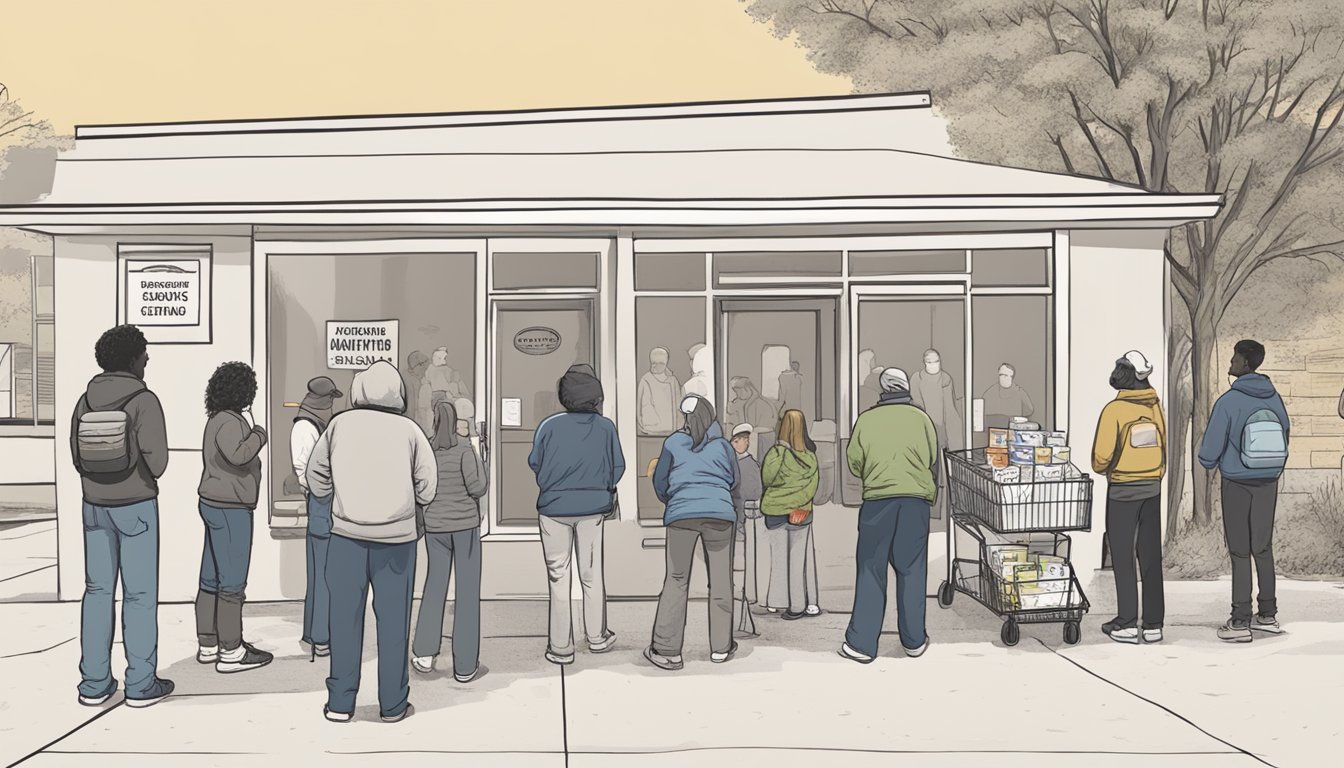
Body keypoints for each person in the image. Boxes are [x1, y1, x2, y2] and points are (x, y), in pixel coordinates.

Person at [306, 360, 437, 724]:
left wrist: (333, 494)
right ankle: (393, 704)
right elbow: (429, 485)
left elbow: (315, 475)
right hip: (397, 540)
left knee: (344, 620)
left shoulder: (339, 426)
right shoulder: (409, 431)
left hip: (346, 537)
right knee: (394, 623)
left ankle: (340, 704)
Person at [71, 325, 174, 708]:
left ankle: (94, 683)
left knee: (97, 592)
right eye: (144, 353)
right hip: (136, 508)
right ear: (132, 359)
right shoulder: (144, 400)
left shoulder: (85, 400)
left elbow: (76, 457)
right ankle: (140, 683)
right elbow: (159, 463)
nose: (147, 358)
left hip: (93, 507)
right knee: (140, 596)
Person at [840, 368, 938, 663]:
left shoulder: (866, 420)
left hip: (878, 502)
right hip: (915, 502)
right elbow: (932, 456)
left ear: (882, 391)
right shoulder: (921, 419)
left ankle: (862, 644)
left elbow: (854, 462)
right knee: (912, 569)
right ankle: (914, 640)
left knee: (871, 569)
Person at [528, 363, 623, 665]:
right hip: (593, 510)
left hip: (553, 509)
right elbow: (618, 467)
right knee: (592, 576)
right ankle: (596, 637)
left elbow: (534, 462)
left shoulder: (548, 426)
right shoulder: (606, 427)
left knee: (559, 577)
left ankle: (560, 646)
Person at [1198, 340, 1290, 643]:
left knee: (1240, 551)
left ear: (1245, 364)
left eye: (1236, 357)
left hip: (1237, 482)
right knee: (1262, 548)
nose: (1232, 361)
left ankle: (1239, 621)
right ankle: (1267, 615)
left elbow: (1209, 451)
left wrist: (1211, 461)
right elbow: (1285, 432)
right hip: (1268, 480)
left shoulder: (1228, 402)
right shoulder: (1274, 398)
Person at [646, 395, 740, 670]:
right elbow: (734, 480)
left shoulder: (673, 443)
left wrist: (675, 502)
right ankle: (721, 647)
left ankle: (666, 650)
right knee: (721, 581)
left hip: (681, 516)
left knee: (676, 580)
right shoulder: (723, 446)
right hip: (720, 516)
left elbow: (660, 481)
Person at [194, 362, 273, 673]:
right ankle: (231, 651)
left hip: (215, 503)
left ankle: (208, 643)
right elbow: (239, 455)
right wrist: (259, 435)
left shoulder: (216, 419)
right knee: (232, 582)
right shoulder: (230, 422)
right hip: (231, 507)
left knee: (210, 578)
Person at [1091, 351, 1167, 645]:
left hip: (1122, 491)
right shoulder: (1154, 406)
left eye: (1120, 368)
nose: (1116, 372)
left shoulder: (1114, 410)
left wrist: (1109, 468)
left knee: (1123, 558)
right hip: (1151, 489)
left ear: (1130, 375)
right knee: (1150, 558)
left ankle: (1125, 622)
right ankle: (1153, 624)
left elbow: (1100, 458)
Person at [413, 400, 488, 682]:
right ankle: (465, 664)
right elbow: (478, 487)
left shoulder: (427, 450)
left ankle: (424, 652)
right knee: (467, 592)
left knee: (434, 587)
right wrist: (478, 456)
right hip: (465, 527)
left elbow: (421, 488)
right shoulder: (464, 449)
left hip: (436, 528)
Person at [293, 376, 342, 659]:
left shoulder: (312, 424)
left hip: (319, 505)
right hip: (322, 504)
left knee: (319, 574)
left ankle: (314, 632)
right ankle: (322, 637)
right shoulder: (306, 427)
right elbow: (309, 473)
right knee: (325, 575)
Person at [760, 410, 821, 620]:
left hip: (776, 510)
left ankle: (778, 601)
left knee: (778, 559)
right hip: (801, 513)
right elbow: (812, 486)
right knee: (800, 560)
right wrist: (800, 506)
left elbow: (767, 479)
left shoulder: (776, 453)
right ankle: (799, 604)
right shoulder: (810, 456)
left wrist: (781, 450)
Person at [910, 349, 962, 517]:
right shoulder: (916, 379)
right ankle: (931, 509)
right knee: (930, 471)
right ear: (924, 363)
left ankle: (953, 506)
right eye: (930, 361)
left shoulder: (945, 379)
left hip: (942, 429)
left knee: (949, 472)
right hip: (925, 430)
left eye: (936, 361)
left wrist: (953, 433)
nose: (933, 365)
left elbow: (949, 406)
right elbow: (917, 405)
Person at [729, 423, 764, 604]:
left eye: (741, 440)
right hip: (736, 513)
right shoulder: (735, 462)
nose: (738, 444)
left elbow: (754, 491)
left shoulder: (749, 464)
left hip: (743, 514)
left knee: (743, 554)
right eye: (736, 441)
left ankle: (744, 590)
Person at [637, 347, 682, 435]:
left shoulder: (672, 380)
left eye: (660, 363)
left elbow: (678, 404)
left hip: (672, 430)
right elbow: (643, 405)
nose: (655, 366)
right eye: (654, 363)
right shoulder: (646, 380)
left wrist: (679, 425)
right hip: (651, 429)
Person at [982, 363, 1035, 431]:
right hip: (993, 430)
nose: (1004, 378)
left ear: (1011, 377)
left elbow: (1029, 410)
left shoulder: (1019, 392)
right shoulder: (990, 392)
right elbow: (982, 411)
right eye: (1001, 375)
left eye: (1006, 375)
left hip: (1013, 430)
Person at [400, 350, 433, 438]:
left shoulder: (421, 378)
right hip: (411, 423)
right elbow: (411, 406)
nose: (426, 370)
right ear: (418, 365)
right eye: (424, 367)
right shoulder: (406, 378)